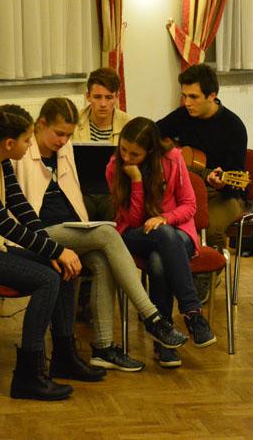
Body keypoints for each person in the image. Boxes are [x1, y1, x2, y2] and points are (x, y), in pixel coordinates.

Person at [0, 103, 183, 401]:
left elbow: (22, 209)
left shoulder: (0, 162)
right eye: (26, 139)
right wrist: (55, 249)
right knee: (47, 278)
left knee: (63, 267)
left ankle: (64, 356)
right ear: (9, 143)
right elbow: (6, 224)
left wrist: (54, 252)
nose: (29, 145)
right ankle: (27, 375)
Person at [13, 98, 187, 372]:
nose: (64, 141)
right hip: (38, 232)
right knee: (107, 232)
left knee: (104, 259)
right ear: (41, 124)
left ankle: (103, 348)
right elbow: (17, 209)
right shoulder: (22, 150)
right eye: (59, 134)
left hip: (69, 230)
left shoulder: (64, 148)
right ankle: (152, 317)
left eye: (69, 135)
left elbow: (72, 193)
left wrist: (84, 226)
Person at [107, 117, 216, 368]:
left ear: (151, 150)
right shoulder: (115, 167)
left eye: (135, 154)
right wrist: (136, 181)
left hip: (178, 232)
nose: (126, 157)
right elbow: (132, 219)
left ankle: (165, 341)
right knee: (163, 236)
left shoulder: (172, 159)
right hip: (135, 234)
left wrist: (164, 218)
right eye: (123, 150)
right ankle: (193, 314)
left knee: (159, 259)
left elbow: (189, 205)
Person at [157, 64, 247, 300]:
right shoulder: (183, 116)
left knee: (210, 225)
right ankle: (167, 276)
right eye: (184, 96)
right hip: (184, 192)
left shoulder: (233, 127)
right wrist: (169, 153)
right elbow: (152, 133)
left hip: (223, 195)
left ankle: (208, 272)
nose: (187, 103)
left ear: (212, 95)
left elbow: (237, 177)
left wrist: (221, 182)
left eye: (194, 97)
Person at [74, 67, 131, 222]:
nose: (103, 104)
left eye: (109, 97)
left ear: (117, 97)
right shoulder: (74, 121)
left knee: (114, 208)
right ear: (87, 96)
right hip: (80, 189)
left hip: (114, 189)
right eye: (97, 97)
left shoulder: (128, 124)